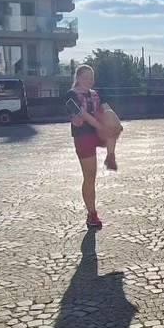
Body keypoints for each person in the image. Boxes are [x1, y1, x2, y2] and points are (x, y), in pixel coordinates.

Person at [67, 65, 121, 230]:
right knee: (90, 177)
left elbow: (107, 109)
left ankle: (110, 155)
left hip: (99, 132)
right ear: (78, 77)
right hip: (84, 135)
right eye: (85, 77)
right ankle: (92, 214)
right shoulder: (71, 95)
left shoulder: (96, 94)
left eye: (91, 77)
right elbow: (82, 115)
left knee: (113, 118)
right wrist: (100, 126)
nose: (89, 80)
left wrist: (113, 123)